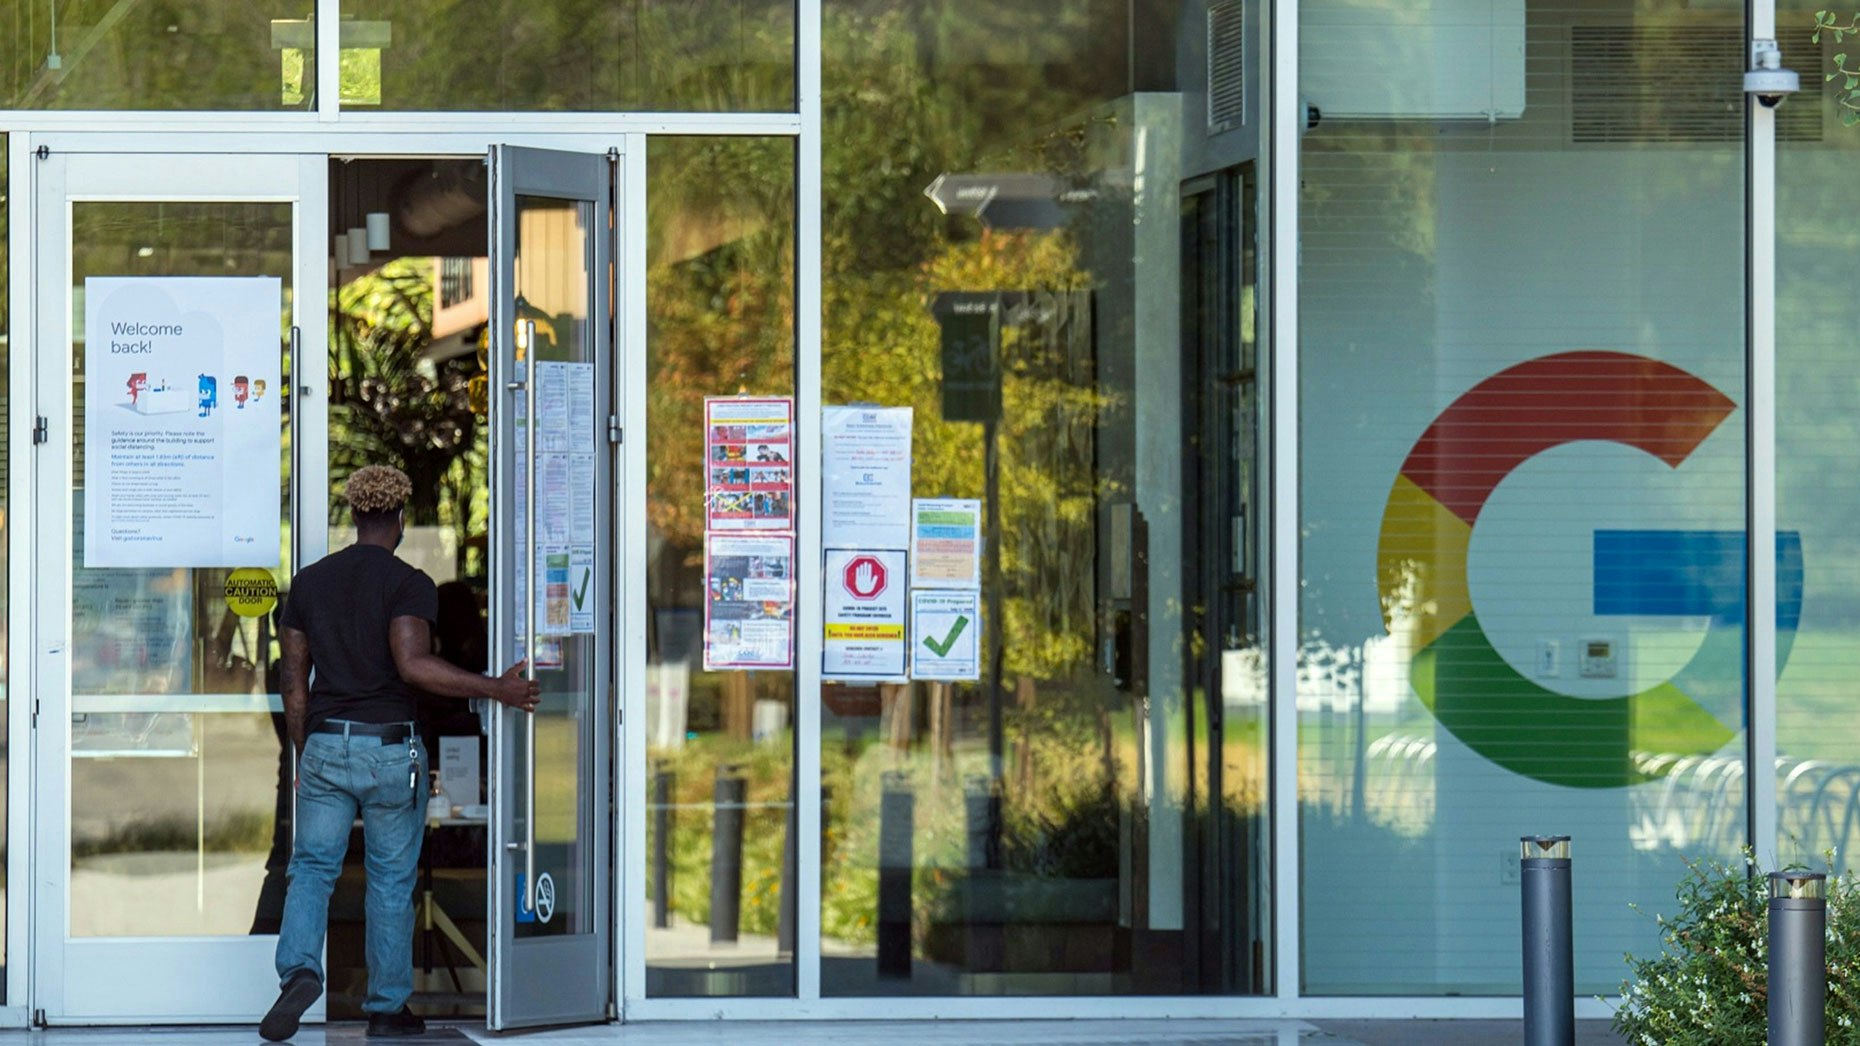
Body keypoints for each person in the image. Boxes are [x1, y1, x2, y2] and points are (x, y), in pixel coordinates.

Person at [260, 466, 539, 1042]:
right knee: (390, 880)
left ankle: (299, 972)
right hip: (390, 748)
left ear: (355, 518)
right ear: (401, 521)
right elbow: (413, 664)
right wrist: (496, 687)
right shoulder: (409, 582)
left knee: (311, 868)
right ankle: (386, 1008)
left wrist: (304, 752)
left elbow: (294, 682)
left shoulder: (308, 583)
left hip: (326, 743)